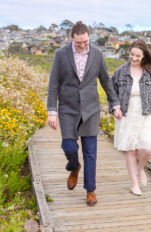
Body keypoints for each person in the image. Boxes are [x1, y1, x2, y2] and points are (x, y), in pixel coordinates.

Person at [47, 21, 122, 206]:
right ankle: (74, 167)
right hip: (68, 109)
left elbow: (105, 80)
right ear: (71, 38)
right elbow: (54, 83)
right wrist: (52, 111)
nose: (82, 45)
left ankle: (90, 190)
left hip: (90, 109)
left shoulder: (96, 54)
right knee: (69, 147)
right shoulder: (61, 55)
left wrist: (115, 104)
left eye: (85, 42)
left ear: (89, 37)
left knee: (90, 152)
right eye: (79, 42)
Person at [111, 39, 151, 196]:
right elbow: (111, 94)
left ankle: (141, 169)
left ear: (144, 56)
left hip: (146, 114)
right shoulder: (120, 71)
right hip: (127, 113)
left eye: (138, 55)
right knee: (131, 149)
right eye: (132, 54)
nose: (134, 58)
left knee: (147, 150)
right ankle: (134, 184)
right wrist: (115, 108)